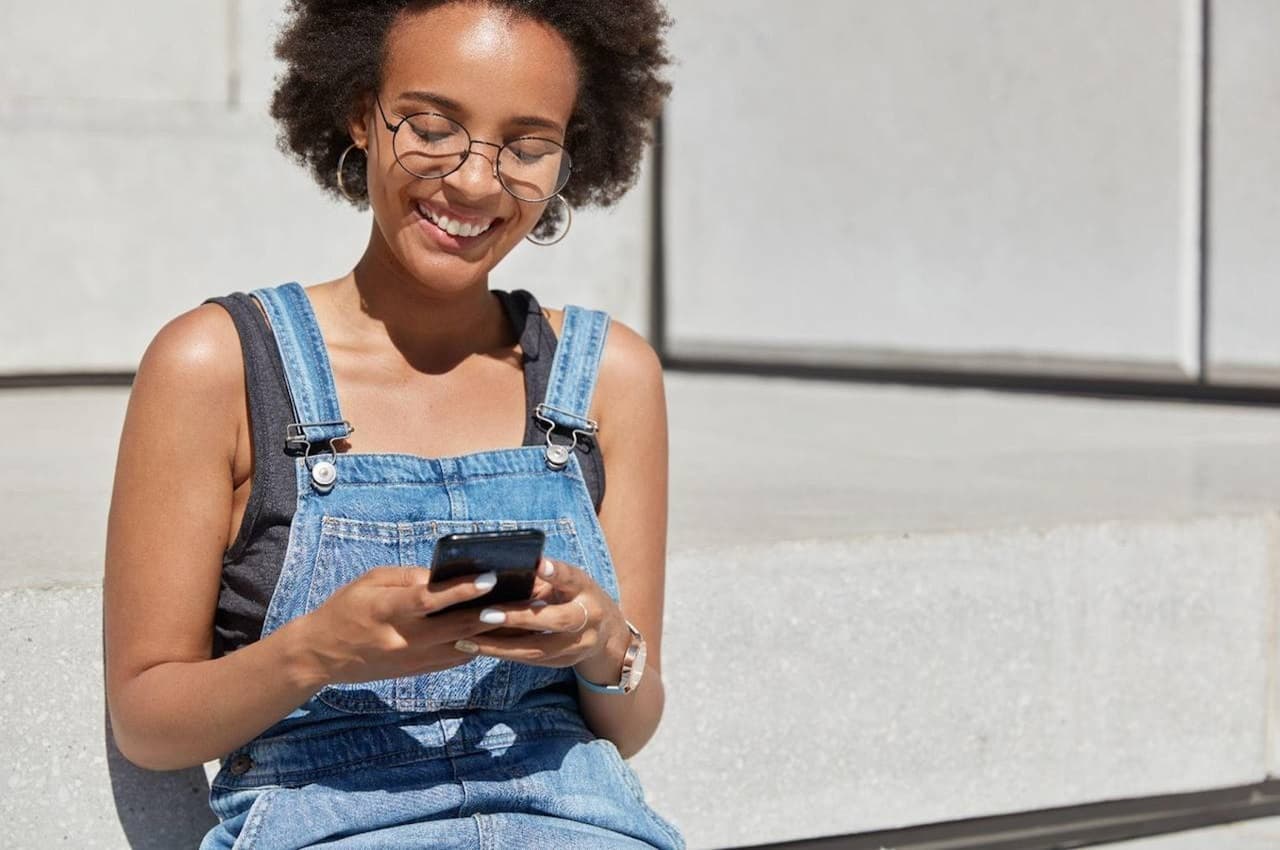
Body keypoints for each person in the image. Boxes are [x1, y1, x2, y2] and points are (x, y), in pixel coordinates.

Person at [102, 1, 683, 847]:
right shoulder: (217, 365)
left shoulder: (610, 377)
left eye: (526, 148)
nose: (477, 182)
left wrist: (600, 641)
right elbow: (149, 722)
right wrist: (319, 652)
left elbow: (628, 725)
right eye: (431, 126)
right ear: (358, 114)